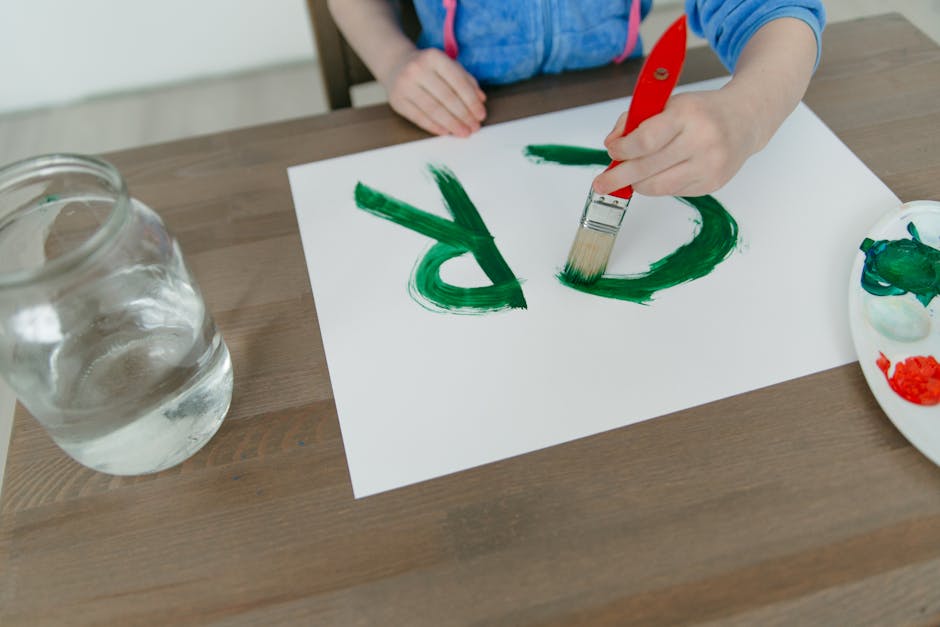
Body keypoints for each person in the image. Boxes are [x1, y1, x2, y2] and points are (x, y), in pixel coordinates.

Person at [327, 0, 825, 197]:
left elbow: (776, 12)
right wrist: (392, 59)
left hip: (616, 96)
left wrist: (749, 112)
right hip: (458, 109)